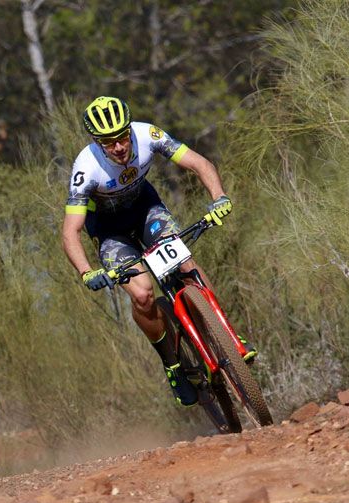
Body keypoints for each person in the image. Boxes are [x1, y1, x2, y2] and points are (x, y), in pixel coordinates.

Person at [61, 96, 254, 407]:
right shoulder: (85, 169)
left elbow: (198, 163)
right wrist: (87, 272)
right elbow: (70, 231)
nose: (120, 147)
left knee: (184, 263)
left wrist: (219, 198)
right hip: (111, 231)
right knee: (142, 295)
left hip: (146, 210)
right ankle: (173, 366)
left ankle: (224, 333)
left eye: (122, 136)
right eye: (109, 142)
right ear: (97, 142)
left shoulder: (147, 134)